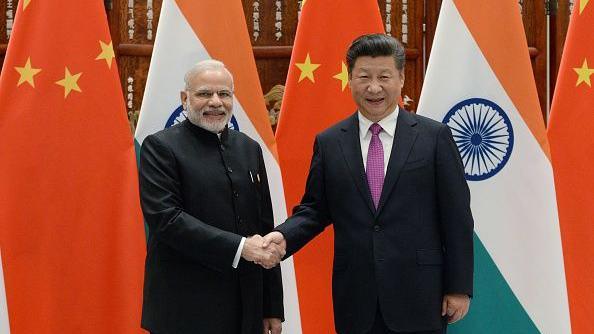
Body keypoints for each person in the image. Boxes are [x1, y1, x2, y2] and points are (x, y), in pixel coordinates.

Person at [263, 34, 474, 334]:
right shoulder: (330, 142)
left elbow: (457, 217)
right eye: (364, 77)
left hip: (420, 295)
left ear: (401, 78)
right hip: (356, 298)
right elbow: (314, 210)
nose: (374, 87)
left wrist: (459, 287)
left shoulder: (434, 137)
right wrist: (282, 238)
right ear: (350, 79)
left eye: (384, 77)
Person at [139, 60, 284, 334]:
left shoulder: (249, 148)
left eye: (224, 94)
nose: (216, 102)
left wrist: (271, 307)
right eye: (204, 94)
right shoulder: (160, 147)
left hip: (246, 308)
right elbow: (167, 220)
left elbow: (264, 228)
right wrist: (241, 248)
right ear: (185, 98)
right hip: (185, 308)